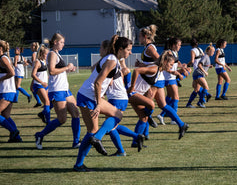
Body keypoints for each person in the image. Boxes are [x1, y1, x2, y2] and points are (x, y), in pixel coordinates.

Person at [73, 35, 132, 172]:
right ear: (121, 49)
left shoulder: (112, 58)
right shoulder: (112, 60)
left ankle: (93, 144)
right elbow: (98, 82)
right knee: (92, 131)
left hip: (88, 95)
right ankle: (80, 163)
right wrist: (99, 104)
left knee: (116, 115)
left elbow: (99, 78)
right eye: (128, 50)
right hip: (89, 97)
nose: (130, 52)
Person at [34, 33, 81, 149]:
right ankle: (40, 135)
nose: (63, 44)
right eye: (62, 42)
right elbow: (51, 71)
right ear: (55, 42)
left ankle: (76, 142)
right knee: (62, 119)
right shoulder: (51, 54)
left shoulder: (57, 54)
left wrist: (68, 70)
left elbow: (58, 71)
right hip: (57, 90)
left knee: (76, 114)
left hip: (65, 89)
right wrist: (67, 67)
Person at [157, 37, 190, 125]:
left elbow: (177, 63)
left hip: (172, 77)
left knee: (171, 98)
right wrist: (178, 74)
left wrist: (183, 67)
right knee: (176, 98)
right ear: (173, 45)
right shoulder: (168, 52)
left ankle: (162, 115)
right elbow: (165, 67)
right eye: (178, 45)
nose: (180, 46)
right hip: (168, 78)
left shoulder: (175, 52)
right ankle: (173, 119)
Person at [135, 24, 159, 128]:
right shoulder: (147, 47)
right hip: (146, 79)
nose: (138, 38)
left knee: (143, 110)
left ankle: (149, 116)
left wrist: (143, 66)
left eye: (139, 36)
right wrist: (142, 65)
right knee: (143, 110)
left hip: (146, 79)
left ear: (145, 37)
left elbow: (159, 60)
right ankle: (144, 135)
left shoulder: (150, 48)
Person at [0, 40, 22, 142]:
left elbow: (12, 72)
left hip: (7, 90)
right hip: (6, 90)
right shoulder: (4, 58)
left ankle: (13, 131)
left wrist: (0, 79)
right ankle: (16, 138)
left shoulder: (3, 58)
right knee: (5, 116)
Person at [186, 38, 209, 108]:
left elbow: (192, 61)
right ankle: (202, 99)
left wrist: (187, 65)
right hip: (200, 70)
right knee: (198, 88)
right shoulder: (200, 49)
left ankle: (191, 103)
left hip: (197, 69)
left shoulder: (192, 50)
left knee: (196, 88)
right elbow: (203, 59)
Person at [191, 43, 215, 108]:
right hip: (199, 73)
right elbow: (199, 65)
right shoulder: (205, 56)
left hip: (196, 73)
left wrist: (208, 66)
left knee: (196, 89)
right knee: (206, 87)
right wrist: (205, 72)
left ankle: (189, 104)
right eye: (213, 51)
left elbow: (203, 64)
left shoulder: (206, 57)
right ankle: (200, 102)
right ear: (209, 51)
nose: (213, 53)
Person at [31, 44, 50, 124]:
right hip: (38, 85)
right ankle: (48, 122)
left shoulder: (45, 61)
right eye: (46, 54)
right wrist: (42, 82)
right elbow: (33, 74)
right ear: (41, 53)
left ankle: (42, 114)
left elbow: (44, 73)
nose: (47, 56)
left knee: (50, 102)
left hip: (45, 85)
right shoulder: (37, 62)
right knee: (46, 102)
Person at [30, 42, 42, 108]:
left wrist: (29, 62)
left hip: (36, 73)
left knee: (33, 88)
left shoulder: (34, 54)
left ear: (34, 47)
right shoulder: (38, 53)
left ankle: (40, 102)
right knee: (33, 88)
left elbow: (35, 64)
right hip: (37, 73)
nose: (31, 48)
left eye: (32, 46)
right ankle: (39, 101)